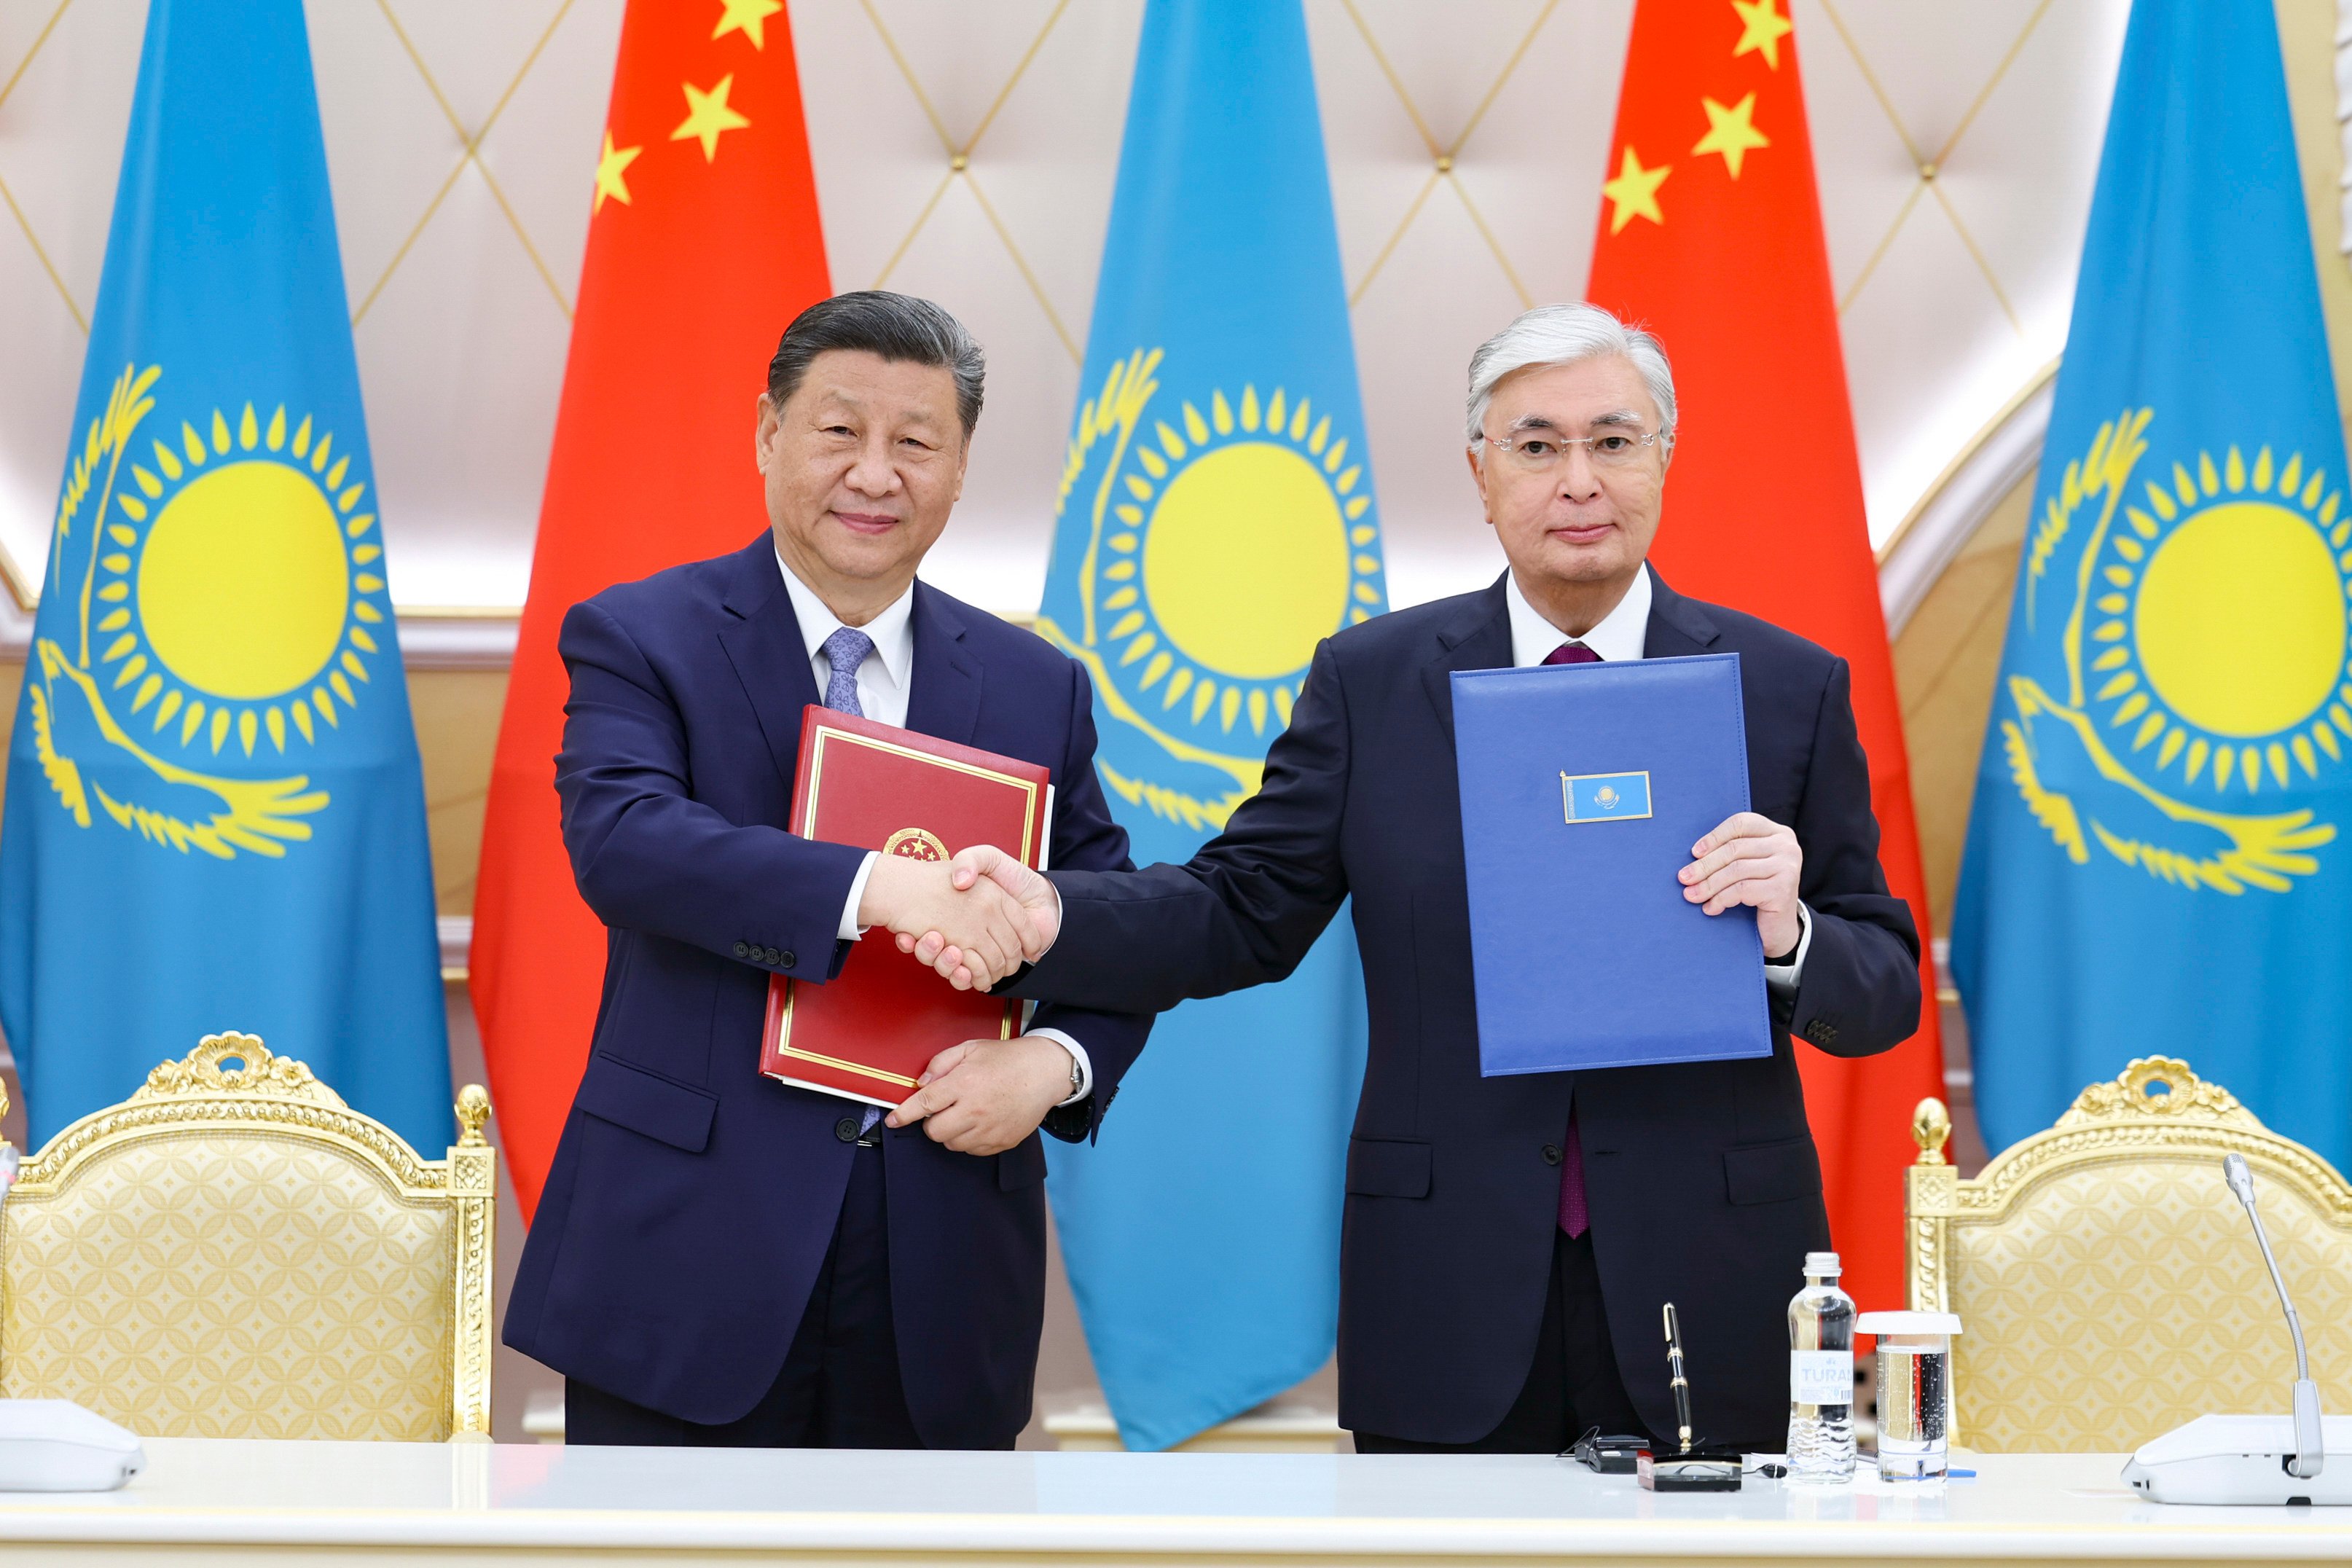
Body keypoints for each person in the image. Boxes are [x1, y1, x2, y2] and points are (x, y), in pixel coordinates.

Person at [910, 303, 1921, 1454]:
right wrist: (1054, 911)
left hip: (1717, 1274)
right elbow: (1242, 909)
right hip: (1450, 1276)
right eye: (1537, 446)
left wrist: (1790, 934)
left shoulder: (1788, 686)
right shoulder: (1375, 683)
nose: (1578, 479)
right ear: (1483, 475)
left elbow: (1883, 985)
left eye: (1614, 440)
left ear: (1665, 458)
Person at [503, 291, 1153, 1450]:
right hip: (689, 1251)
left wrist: (1054, 1066)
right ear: (767, 435)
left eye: (916, 442)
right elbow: (628, 843)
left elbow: (1111, 923)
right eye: (837, 431)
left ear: (958, 472)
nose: (874, 473)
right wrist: (878, 889)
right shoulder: (640, 634)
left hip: (942, 1257)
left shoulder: (1031, 685)